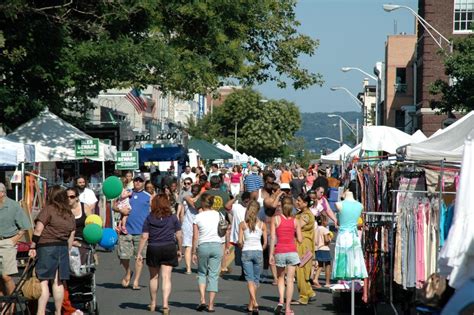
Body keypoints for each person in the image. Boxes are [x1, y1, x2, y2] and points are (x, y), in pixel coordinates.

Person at [28, 186, 76, 315]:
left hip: (46, 247)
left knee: (43, 280)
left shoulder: (48, 210)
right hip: (63, 247)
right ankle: (58, 311)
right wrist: (68, 250)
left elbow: (38, 230)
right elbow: (71, 234)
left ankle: (41, 311)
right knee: (58, 281)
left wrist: (33, 246)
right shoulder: (69, 214)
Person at [136, 194, 183, 314]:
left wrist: (139, 253)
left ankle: (153, 303)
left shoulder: (149, 218)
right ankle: (166, 304)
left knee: (153, 277)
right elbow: (178, 234)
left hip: (154, 247)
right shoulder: (172, 218)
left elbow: (144, 236)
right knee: (166, 277)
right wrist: (180, 249)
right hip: (169, 247)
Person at [115, 175, 151, 290]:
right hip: (126, 230)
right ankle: (128, 271)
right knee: (123, 256)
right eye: (136, 180)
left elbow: (154, 211)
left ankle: (136, 282)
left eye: (140, 181)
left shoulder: (148, 196)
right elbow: (114, 206)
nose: (138, 182)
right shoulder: (127, 193)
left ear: (144, 183)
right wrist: (121, 210)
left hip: (141, 232)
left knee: (139, 258)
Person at [269, 196, 302, 315]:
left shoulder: (276, 219)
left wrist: (271, 254)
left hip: (280, 251)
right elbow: (300, 239)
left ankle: (280, 300)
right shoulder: (295, 221)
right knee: (290, 280)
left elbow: (273, 237)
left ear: (281, 206)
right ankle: (288, 308)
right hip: (292, 252)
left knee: (280, 278)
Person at [0, 183, 31, 306]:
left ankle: (11, 304)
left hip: (7, 242)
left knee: (6, 275)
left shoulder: (13, 205)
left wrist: (14, 239)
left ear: (2, 193)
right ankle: (3, 307)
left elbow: (25, 226)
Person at [192, 194, 224, 312]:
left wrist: (194, 252)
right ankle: (211, 305)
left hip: (203, 245)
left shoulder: (198, 217)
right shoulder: (219, 215)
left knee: (201, 273)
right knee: (213, 275)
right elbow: (223, 230)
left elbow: (195, 236)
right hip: (216, 245)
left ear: (202, 203)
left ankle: (202, 300)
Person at [332, 187, 368, 290]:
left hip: (344, 236)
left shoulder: (341, 204)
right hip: (352, 236)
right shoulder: (358, 205)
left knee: (347, 259)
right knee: (353, 259)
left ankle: (348, 278)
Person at [238, 200, 267, 315]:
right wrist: (261, 248)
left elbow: (240, 242)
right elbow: (265, 242)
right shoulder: (262, 224)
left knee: (249, 279)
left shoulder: (243, 224)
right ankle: (251, 305)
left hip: (246, 251)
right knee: (256, 279)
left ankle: (254, 303)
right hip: (258, 251)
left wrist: (242, 247)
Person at [294, 193, 316, 305]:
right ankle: (309, 292)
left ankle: (303, 297)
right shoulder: (300, 213)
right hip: (301, 243)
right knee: (300, 270)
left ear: (305, 203)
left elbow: (297, 225)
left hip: (303, 244)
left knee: (300, 270)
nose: (297, 202)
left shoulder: (306, 215)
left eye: (299, 201)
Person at [230, 191, 252, 280]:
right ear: (242, 200)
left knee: (248, 255)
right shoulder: (236, 207)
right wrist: (235, 198)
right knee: (242, 256)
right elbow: (227, 206)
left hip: (250, 235)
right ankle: (244, 273)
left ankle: (248, 274)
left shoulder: (252, 208)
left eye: (248, 201)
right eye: (245, 201)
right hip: (239, 235)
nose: (247, 203)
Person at [181, 184, 201, 274]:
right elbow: (194, 205)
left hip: (199, 223)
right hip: (188, 223)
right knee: (188, 246)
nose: (194, 191)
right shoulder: (186, 196)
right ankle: (188, 268)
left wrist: (198, 197)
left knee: (199, 246)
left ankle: (200, 268)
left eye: (196, 190)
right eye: (193, 189)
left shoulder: (201, 198)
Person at [313, 214, 332, 288]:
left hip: (317, 248)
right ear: (324, 222)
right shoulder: (325, 230)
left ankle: (316, 278)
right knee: (327, 264)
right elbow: (326, 240)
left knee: (320, 265)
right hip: (324, 248)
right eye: (327, 220)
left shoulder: (316, 229)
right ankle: (327, 282)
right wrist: (329, 238)